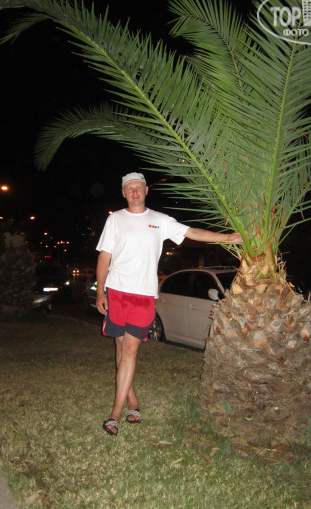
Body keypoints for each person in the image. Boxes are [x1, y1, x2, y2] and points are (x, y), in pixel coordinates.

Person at [96, 172, 242, 436]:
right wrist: (100, 292)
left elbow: (192, 232)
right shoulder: (115, 219)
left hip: (143, 295)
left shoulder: (159, 220)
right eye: (130, 188)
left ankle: (115, 414)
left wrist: (227, 238)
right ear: (124, 193)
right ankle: (132, 401)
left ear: (146, 191)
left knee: (130, 350)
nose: (135, 192)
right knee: (120, 348)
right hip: (116, 291)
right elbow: (104, 257)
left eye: (139, 187)